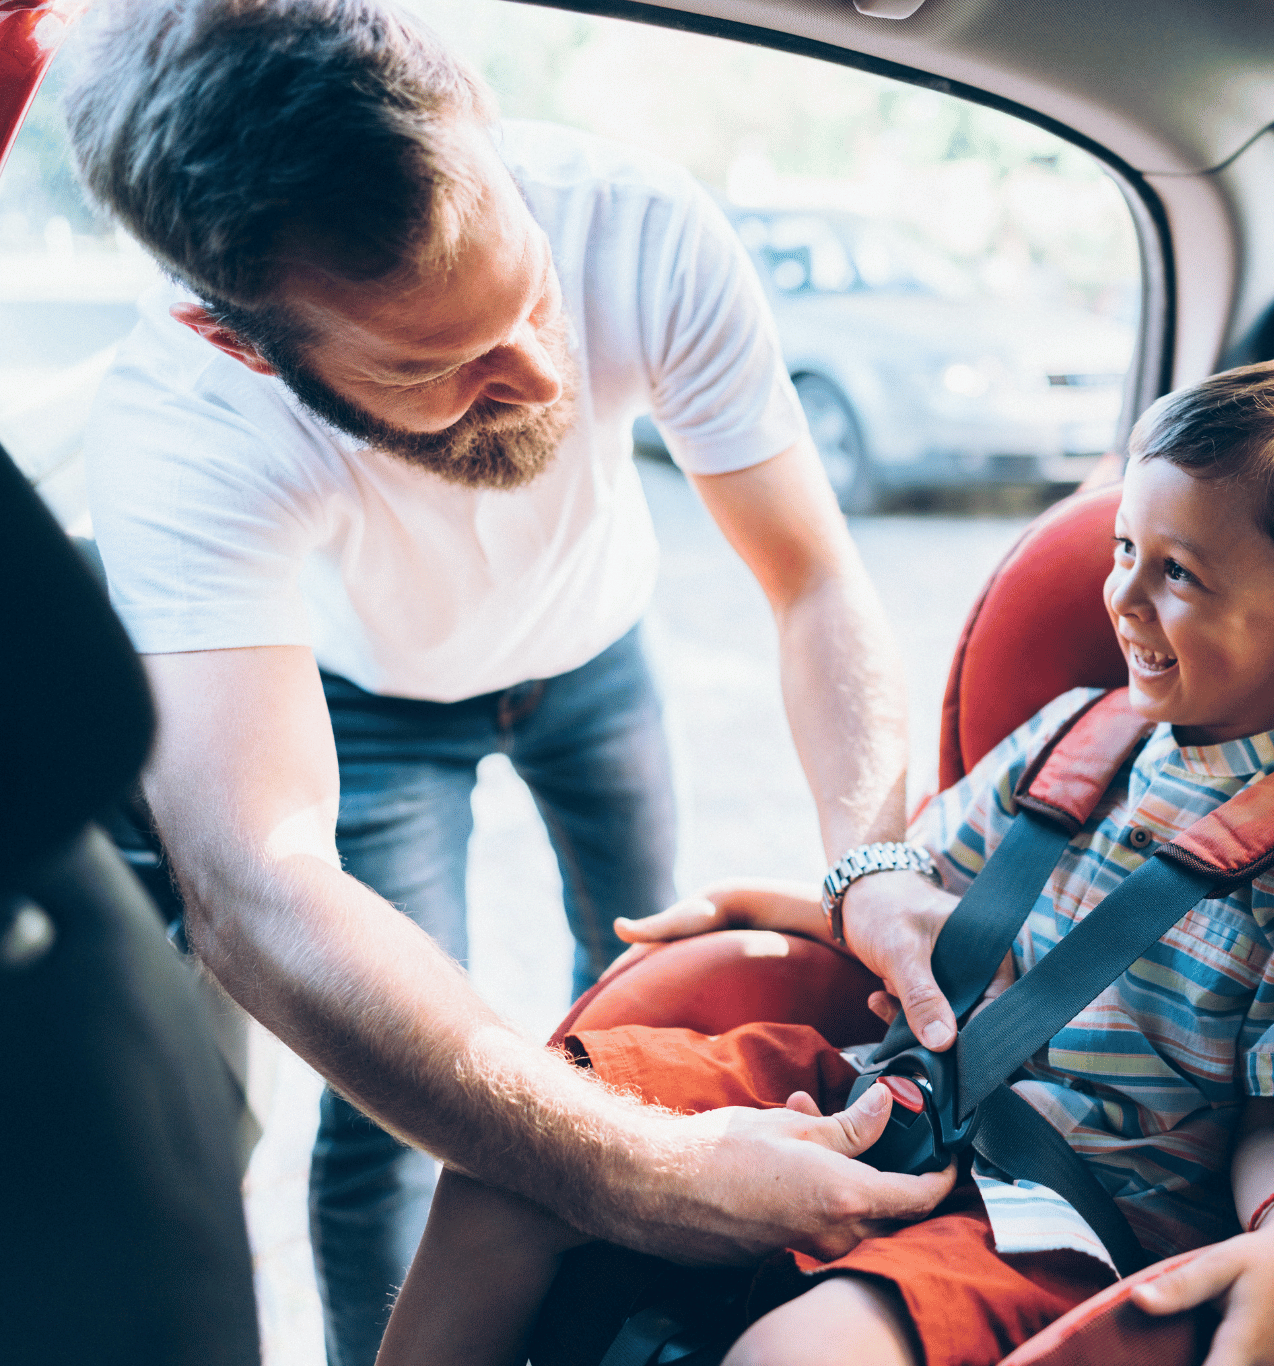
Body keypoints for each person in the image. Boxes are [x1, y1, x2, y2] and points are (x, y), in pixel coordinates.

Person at [66, 3, 957, 1363]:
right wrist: (642, 1174)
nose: (541, 373)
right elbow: (256, 886)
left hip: (601, 654)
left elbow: (813, 580)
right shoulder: (183, 426)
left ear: (478, 111)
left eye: (531, 291)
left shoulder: (639, 220)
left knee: (629, 999)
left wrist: (873, 859)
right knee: (404, 1107)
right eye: (435, 365)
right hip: (368, 700)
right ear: (242, 340)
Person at [374, 349, 1274, 1366]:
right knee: (513, 1153)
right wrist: (778, 905)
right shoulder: (1074, 731)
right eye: (1122, 551)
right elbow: (920, 903)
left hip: (1064, 1216)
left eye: (1180, 576)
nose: (1124, 597)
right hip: (886, 1086)